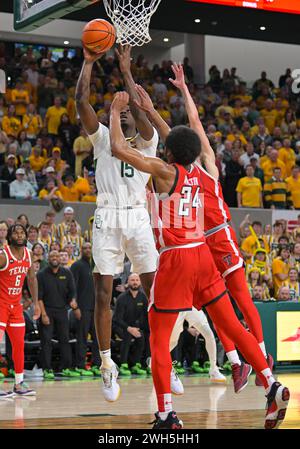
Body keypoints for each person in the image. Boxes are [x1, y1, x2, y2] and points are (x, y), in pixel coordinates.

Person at [110, 90, 290, 430]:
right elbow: (180, 139)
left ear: (168, 152)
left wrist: (116, 111)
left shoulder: (165, 172)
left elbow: (119, 149)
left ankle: (166, 414)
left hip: (176, 259)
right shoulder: (198, 172)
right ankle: (271, 383)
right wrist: (149, 111)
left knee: (159, 339)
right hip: (204, 257)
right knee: (233, 325)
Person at [137, 66, 274, 392]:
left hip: (216, 239)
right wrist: (173, 98)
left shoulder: (201, 168)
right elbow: (183, 133)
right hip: (198, 244)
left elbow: (188, 129)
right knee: (218, 306)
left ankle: (260, 359)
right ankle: (239, 362)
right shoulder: (190, 170)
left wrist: (171, 99)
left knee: (236, 303)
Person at [75, 45, 158, 402]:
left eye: (127, 116)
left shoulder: (149, 144)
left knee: (158, 292)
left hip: (138, 215)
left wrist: (126, 72)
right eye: (119, 116)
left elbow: (141, 111)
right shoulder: (102, 140)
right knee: (103, 294)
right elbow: (81, 102)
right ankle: (107, 366)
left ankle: (160, 357)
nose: (124, 118)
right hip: (108, 214)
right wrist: (89, 62)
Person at [0, 224, 41, 397]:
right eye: (15, 232)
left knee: (18, 345)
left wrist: (36, 303)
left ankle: (18, 384)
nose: (19, 234)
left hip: (16, 307)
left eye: (22, 232)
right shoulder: (3, 256)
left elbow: (31, 279)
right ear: (10, 236)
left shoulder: (29, 255)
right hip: (1, 305)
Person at [37, 250, 81, 379]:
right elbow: (39, 297)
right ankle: (47, 369)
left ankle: (66, 367)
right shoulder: (41, 275)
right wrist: (43, 314)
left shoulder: (66, 273)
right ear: (48, 259)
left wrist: (73, 301)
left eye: (56, 256)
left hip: (62, 311)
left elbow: (72, 292)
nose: (55, 258)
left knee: (64, 339)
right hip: (47, 310)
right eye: (52, 256)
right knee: (46, 341)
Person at [71, 242, 101, 376]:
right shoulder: (77, 266)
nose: (88, 250)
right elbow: (72, 288)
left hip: (96, 308)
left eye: (90, 248)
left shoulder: (96, 265)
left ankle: (97, 364)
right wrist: (75, 307)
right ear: (81, 250)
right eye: (85, 248)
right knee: (82, 338)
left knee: (97, 338)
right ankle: (80, 365)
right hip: (82, 308)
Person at [112, 273, 148, 376]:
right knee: (127, 335)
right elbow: (117, 319)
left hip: (135, 327)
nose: (135, 282)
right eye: (132, 280)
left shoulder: (143, 298)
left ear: (140, 282)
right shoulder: (122, 298)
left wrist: (138, 328)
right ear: (128, 282)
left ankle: (136, 364)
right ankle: (123, 364)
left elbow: (145, 316)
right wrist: (129, 328)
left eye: (137, 280)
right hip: (120, 326)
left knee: (141, 335)